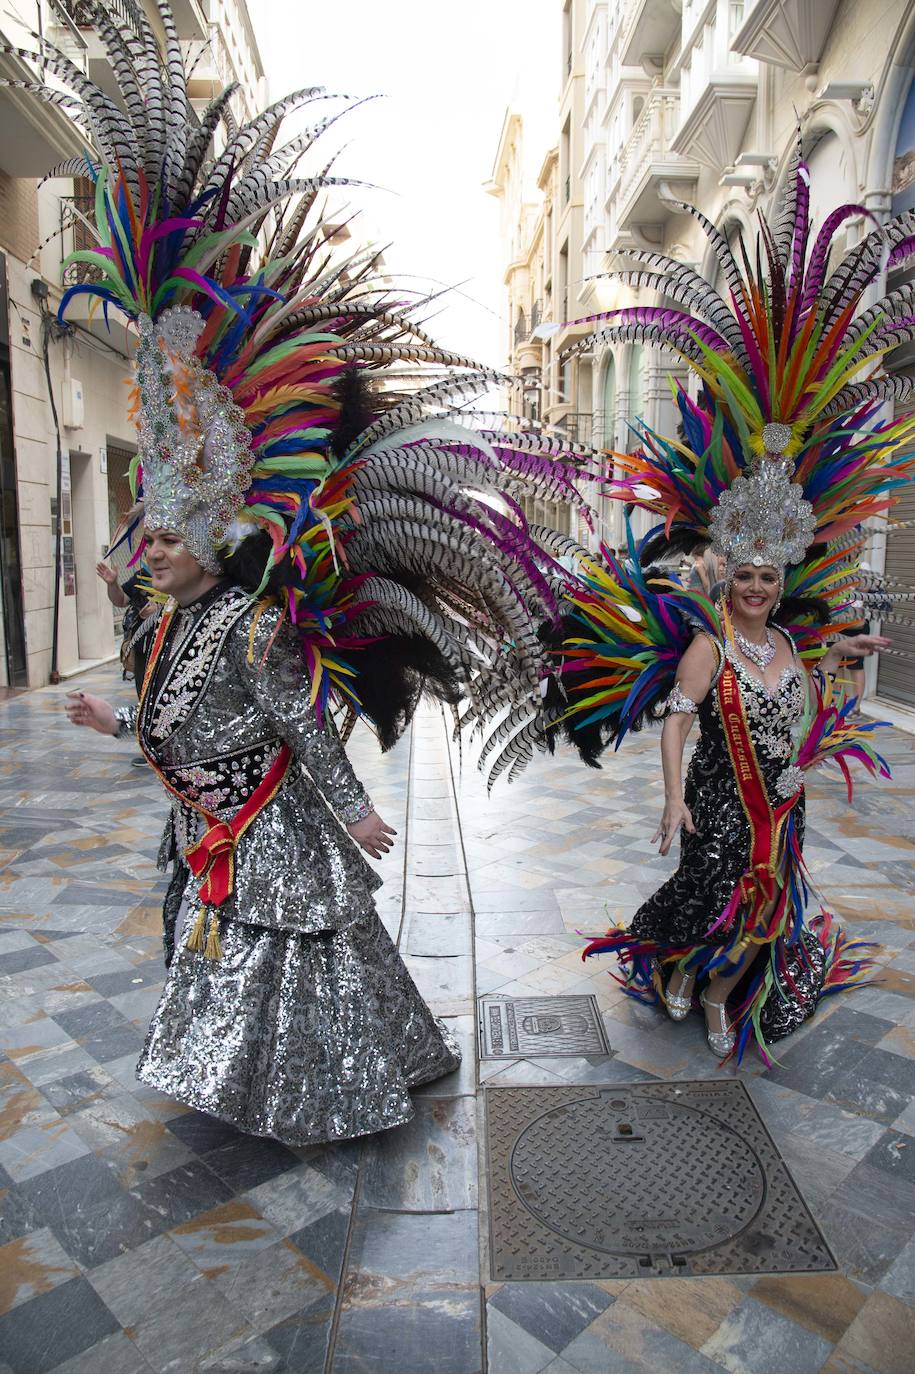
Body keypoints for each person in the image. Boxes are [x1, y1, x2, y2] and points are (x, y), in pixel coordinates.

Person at [68, 529, 464, 1143]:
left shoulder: (253, 626)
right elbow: (182, 720)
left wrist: (355, 810)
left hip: (272, 826)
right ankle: (231, 1079)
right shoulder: (171, 621)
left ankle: (320, 1090)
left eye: (171, 540)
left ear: (207, 544)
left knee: (299, 959)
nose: (154, 554)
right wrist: (117, 722)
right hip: (206, 829)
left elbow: (303, 724)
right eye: (151, 540)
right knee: (223, 962)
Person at [636, 565, 886, 1056]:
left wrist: (834, 656)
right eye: (746, 576)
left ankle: (717, 995)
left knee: (766, 906)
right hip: (719, 797)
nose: (756, 588)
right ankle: (686, 969)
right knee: (714, 898)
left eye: (768, 578)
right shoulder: (709, 647)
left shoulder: (785, 641)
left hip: (782, 803)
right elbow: (677, 723)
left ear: (780, 587)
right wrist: (673, 797)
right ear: (729, 584)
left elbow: (804, 703)